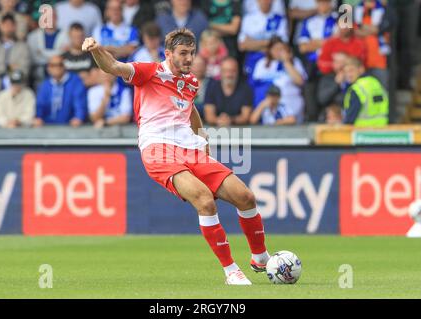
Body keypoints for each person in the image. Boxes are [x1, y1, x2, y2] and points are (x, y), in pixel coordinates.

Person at [82, 28, 271, 285]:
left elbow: (190, 110)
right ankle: (231, 271)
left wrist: (203, 139)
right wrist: (96, 49)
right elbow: (113, 66)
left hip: (190, 148)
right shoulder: (149, 72)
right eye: (183, 53)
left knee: (245, 197)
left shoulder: (191, 82)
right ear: (168, 54)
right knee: (205, 201)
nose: (189, 58)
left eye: (192, 53)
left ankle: (260, 258)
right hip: (158, 149)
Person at [252, 37, 306, 123]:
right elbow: (257, 85)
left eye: (282, 49)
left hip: (291, 105)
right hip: (269, 105)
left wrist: (286, 62)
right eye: (276, 49)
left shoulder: (295, 62)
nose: (279, 52)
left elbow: (300, 81)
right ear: (270, 50)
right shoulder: (262, 63)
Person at [0, 13, 30, 99]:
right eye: (5, 25)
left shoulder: (23, 47)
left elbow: (24, 70)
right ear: (0, 26)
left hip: (18, 93)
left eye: (11, 25)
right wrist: (8, 67)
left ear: (15, 27)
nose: (8, 28)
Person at [238, 0, 289, 82]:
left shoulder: (279, 19)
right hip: (252, 62)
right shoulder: (248, 19)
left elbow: (282, 44)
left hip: (273, 63)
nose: (265, 2)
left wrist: (252, 42)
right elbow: (242, 45)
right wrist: (268, 43)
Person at [34, 55, 87, 127]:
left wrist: (79, 117)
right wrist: (38, 117)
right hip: (47, 126)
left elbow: (79, 103)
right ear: (48, 68)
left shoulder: (75, 82)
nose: (57, 68)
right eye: (52, 65)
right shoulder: (45, 85)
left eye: (59, 65)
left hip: (70, 126)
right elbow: (40, 105)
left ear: (64, 66)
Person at [204, 57, 253, 127]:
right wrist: (219, 120)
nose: (229, 75)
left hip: (239, 130)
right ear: (221, 72)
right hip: (215, 130)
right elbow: (209, 116)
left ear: (237, 72)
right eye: (226, 71)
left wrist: (230, 120)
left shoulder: (246, 89)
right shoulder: (212, 87)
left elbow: (245, 117)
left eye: (232, 71)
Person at [27, 9, 69, 88]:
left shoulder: (66, 35)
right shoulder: (32, 36)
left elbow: (64, 57)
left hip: (61, 76)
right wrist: (57, 53)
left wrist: (42, 53)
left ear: (56, 18)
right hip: (38, 77)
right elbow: (34, 59)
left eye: (52, 16)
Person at [342, 57, 389, 127]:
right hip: (381, 130)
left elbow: (350, 118)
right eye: (346, 72)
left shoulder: (357, 88)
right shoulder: (376, 83)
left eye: (351, 70)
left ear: (361, 69)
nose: (348, 75)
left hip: (361, 133)